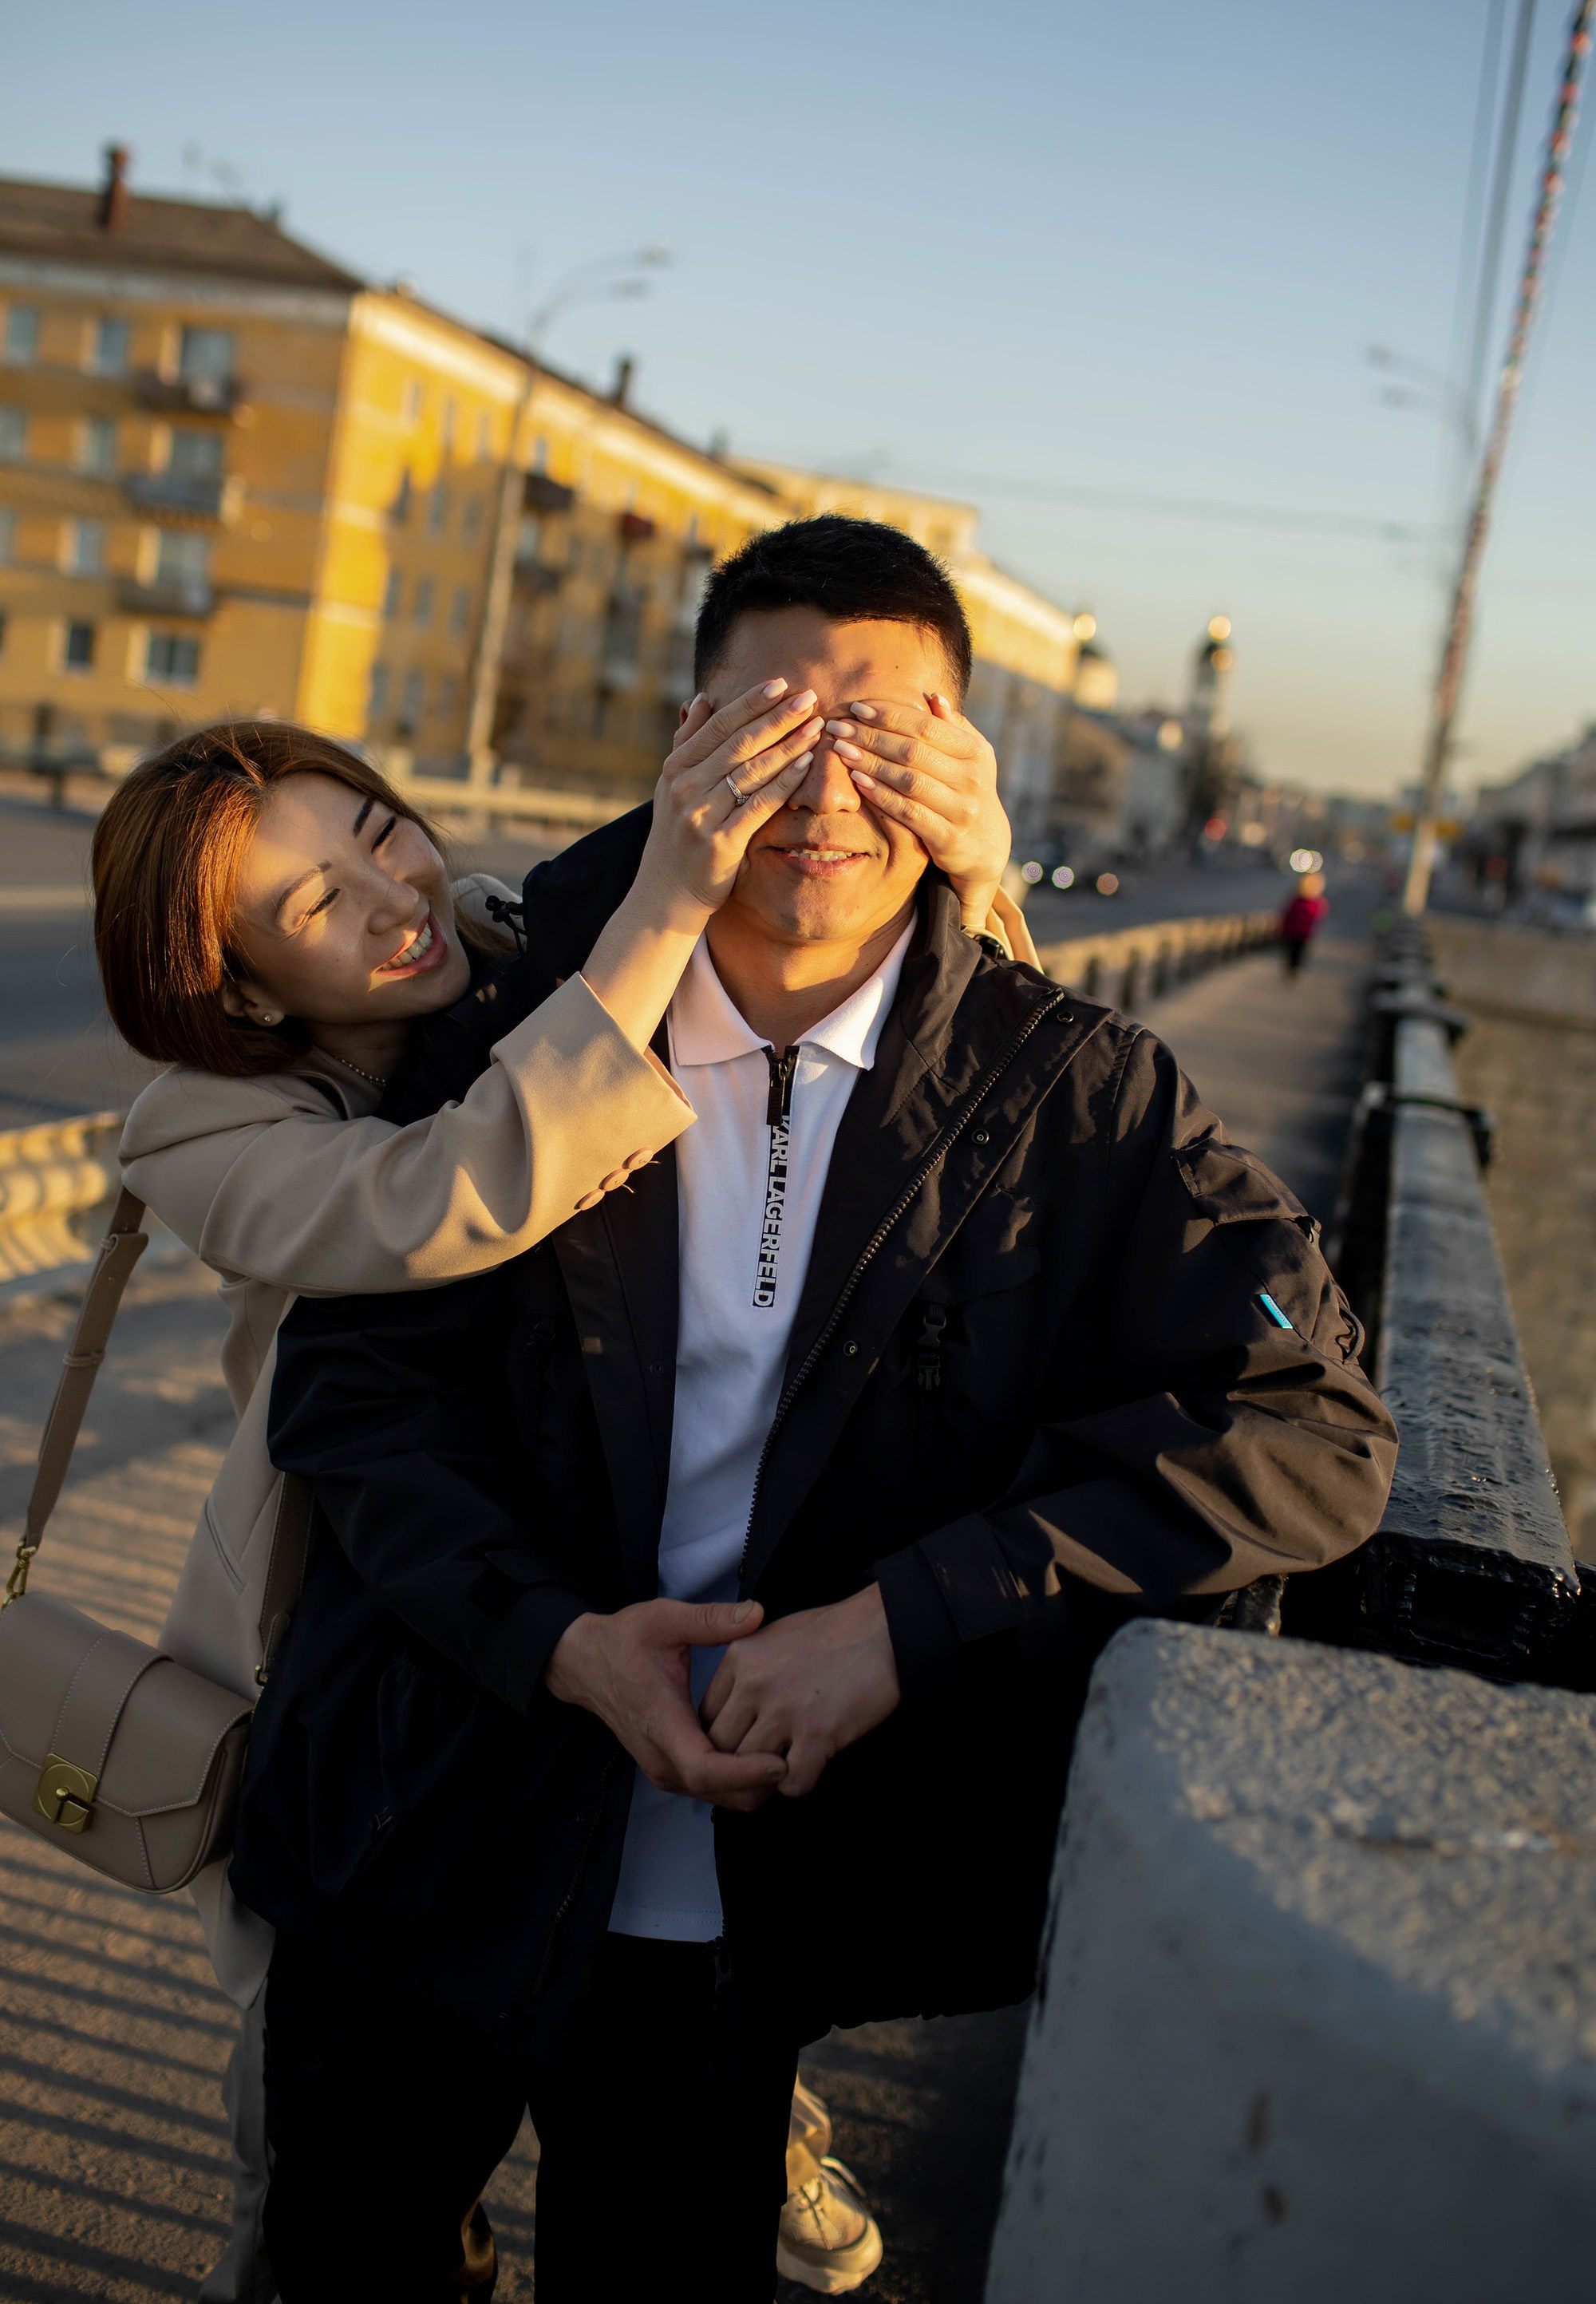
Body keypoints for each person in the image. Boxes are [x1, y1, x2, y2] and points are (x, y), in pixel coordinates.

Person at [248, 516, 1399, 2303]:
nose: (821, 791)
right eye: (770, 730)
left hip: (745, 1903)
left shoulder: (1075, 1099)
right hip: (429, 1815)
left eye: (880, 737)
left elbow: (1310, 1418)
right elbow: (353, 1396)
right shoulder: (513, 1024)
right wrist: (562, 1644)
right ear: (687, 744)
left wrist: (903, 1622)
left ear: (961, 769)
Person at [96, 698, 1025, 2299]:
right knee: (338, 2164)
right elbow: (438, 1195)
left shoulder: (521, 944)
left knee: (661, 1990)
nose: (391, 899)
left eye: (380, 834)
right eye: (316, 904)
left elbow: (903, 1065)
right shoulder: (205, 1123)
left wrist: (977, 869)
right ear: (239, 984)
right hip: (389, 1639)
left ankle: (755, 2113)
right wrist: (664, 904)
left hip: (639, 1582)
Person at [1279, 870, 1328, 976]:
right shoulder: (1304, 901)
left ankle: (1295, 968)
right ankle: (1293, 968)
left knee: (1298, 951)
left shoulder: (1311, 902)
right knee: (1295, 951)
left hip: (1301, 932)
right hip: (1297, 932)